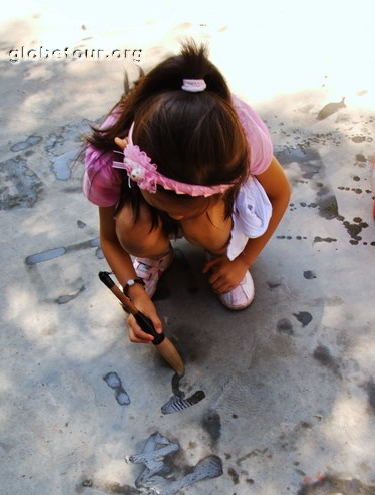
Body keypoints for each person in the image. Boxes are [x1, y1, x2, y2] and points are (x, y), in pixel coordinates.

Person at [83, 39, 291, 344]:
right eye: (168, 205)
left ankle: (221, 247)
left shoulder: (244, 139)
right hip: (150, 210)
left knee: (205, 223)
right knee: (130, 228)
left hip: (214, 214)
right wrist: (134, 292)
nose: (177, 216)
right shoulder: (107, 158)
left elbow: (280, 193)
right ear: (135, 168)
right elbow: (110, 238)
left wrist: (243, 260)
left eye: (187, 207)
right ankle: (155, 256)